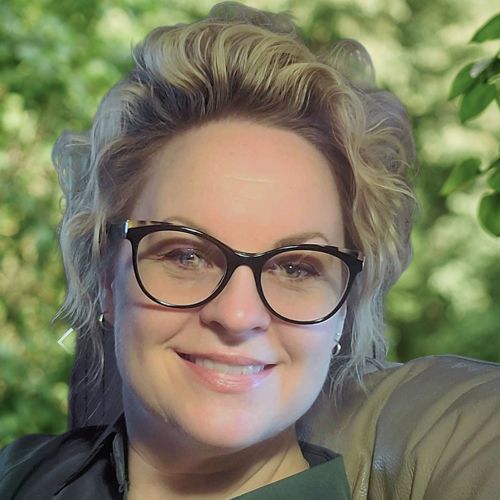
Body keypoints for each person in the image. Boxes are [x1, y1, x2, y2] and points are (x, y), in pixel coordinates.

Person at [1, 2, 499, 499]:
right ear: (108, 281)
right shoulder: (19, 472)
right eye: (186, 255)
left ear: (343, 314)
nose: (237, 316)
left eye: (296, 268)